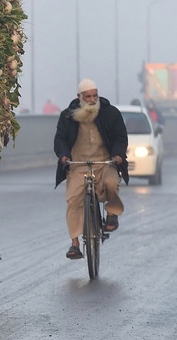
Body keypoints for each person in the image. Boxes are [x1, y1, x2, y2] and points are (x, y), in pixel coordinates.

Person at [54, 78, 128, 260]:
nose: (92, 99)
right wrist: (64, 156)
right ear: (80, 97)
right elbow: (60, 139)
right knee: (73, 200)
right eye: (88, 96)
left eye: (95, 95)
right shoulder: (67, 116)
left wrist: (118, 154)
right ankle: (75, 243)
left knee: (112, 182)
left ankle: (111, 214)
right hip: (77, 165)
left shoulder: (110, 113)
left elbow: (120, 137)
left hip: (105, 163)